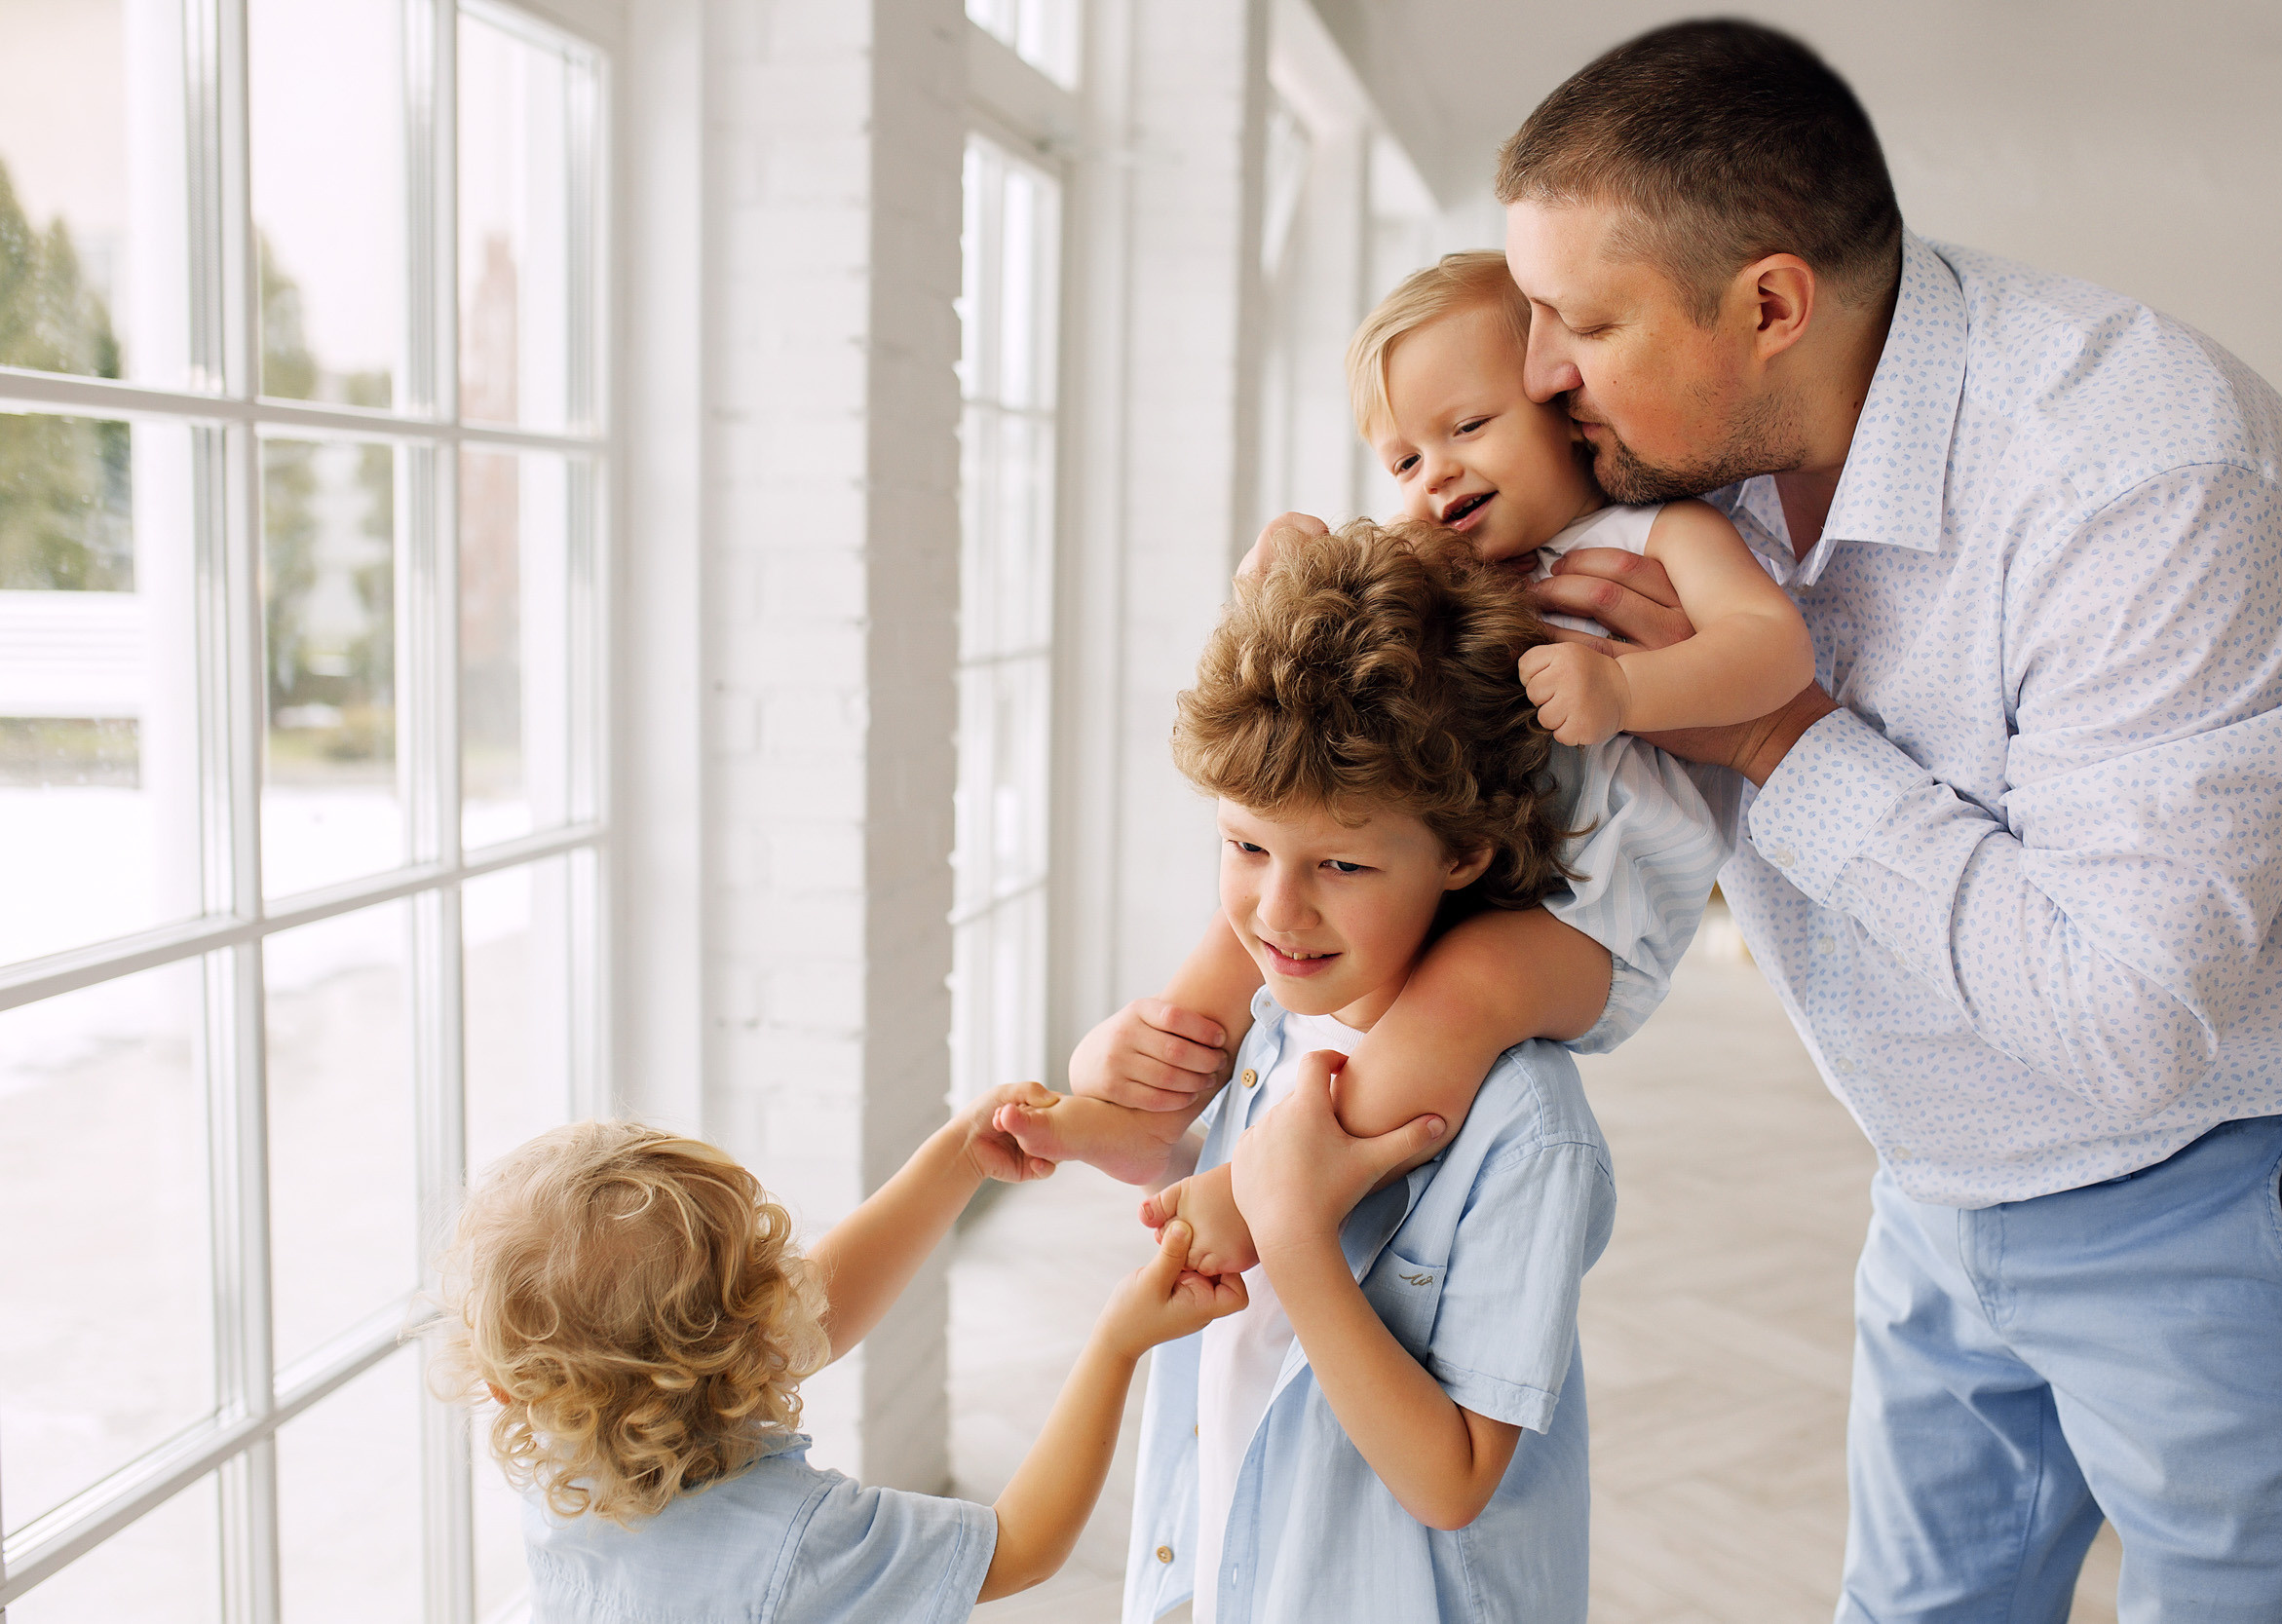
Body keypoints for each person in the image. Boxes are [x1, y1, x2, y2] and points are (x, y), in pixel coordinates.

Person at [1493, 19, 2282, 1622]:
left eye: (1581, 320)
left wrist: (1780, 737)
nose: (1535, 373)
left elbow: (2126, 1019)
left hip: (2236, 1181)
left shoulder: (2146, 480)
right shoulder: (1669, 449)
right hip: (1939, 1179)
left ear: (1771, 304)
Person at [1003, 253, 1810, 1275]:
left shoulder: (1663, 532)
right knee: (1258, 911)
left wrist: (1628, 692)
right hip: (1442, 866)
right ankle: (1142, 1109)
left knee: (1465, 990)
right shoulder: (1440, 549)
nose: (1435, 475)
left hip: (1590, 915)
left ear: (1566, 406)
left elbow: (1775, 649)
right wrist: (1278, 565)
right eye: (1402, 460)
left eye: (1467, 427)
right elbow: (1341, 616)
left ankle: (1262, 1188)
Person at [1121, 520, 1615, 1624]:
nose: (1277, 911)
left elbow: (1451, 1481)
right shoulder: (1271, 1025)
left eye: (1340, 863)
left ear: (1464, 852)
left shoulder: (1526, 1124)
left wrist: (1291, 1230)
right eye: (1246, 846)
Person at [422, 1090, 1246, 1622]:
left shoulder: (562, 1441)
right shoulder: (798, 1543)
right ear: (751, 1324)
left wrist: (959, 1155)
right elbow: (1021, 1545)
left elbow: (814, 1313)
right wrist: (1115, 1342)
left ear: (504, 1385)